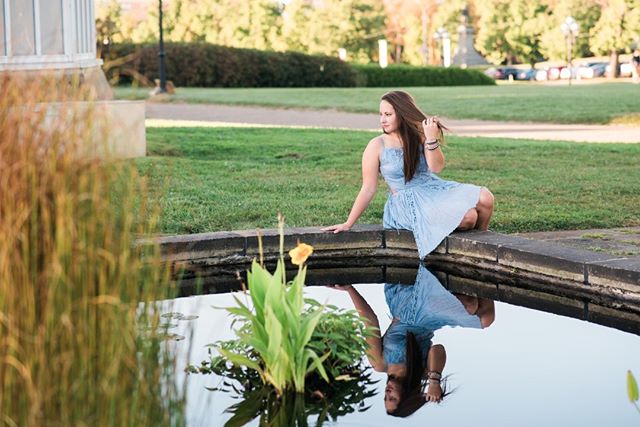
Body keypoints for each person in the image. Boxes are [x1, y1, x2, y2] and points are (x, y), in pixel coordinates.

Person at [322, 90, 494, 258]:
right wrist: (348, 223)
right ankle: (473, 250)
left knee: (486, 197)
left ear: (402, 113)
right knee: (469, 217)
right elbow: (368, 188)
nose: (383, 119)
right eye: (381, 114)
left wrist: (431, 138)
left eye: (388, 114)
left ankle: (481, 245)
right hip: (406, 202)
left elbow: (436, 168)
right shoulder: (376, 145)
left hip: (433, 189)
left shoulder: (419, 136)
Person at [329, 264, 495, 417]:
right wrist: (434, 379)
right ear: (407, 398)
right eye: (392, 398)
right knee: (485, 319)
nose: (387, 393)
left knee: (469, 305)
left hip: (405, 307)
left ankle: (450, 282)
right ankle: (485, 272)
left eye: (385, 397)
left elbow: (370, 322)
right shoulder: (422, 372)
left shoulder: (380, 363)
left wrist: (350, 289)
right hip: (431, 321)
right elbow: (438, 349)